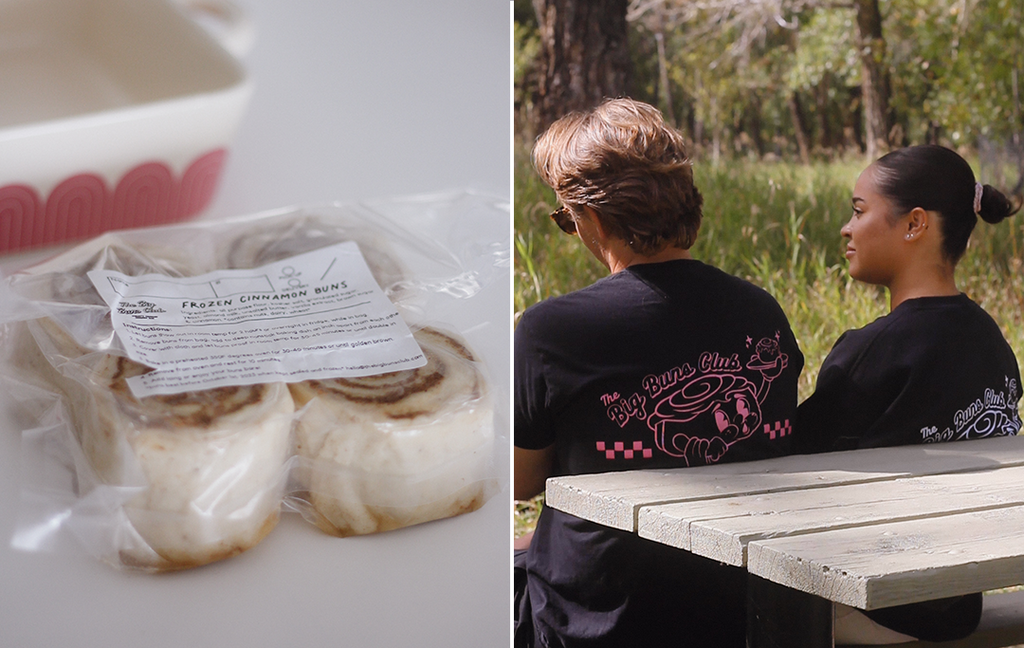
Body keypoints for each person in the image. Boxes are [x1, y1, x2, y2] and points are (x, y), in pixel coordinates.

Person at [514, 97, 804, 648]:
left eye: (565, 219)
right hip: (736, 609)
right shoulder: (759, 311)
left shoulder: (552, 330)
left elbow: (521, 481)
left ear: (592, 218)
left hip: (601, 617)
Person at [794, 144, 1023, 643]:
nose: (846, 228)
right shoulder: (992, 342)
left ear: (915, 224)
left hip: (877, 609)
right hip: (957, 601)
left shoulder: (870, 354)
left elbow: (789, 469)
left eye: (858, 210)